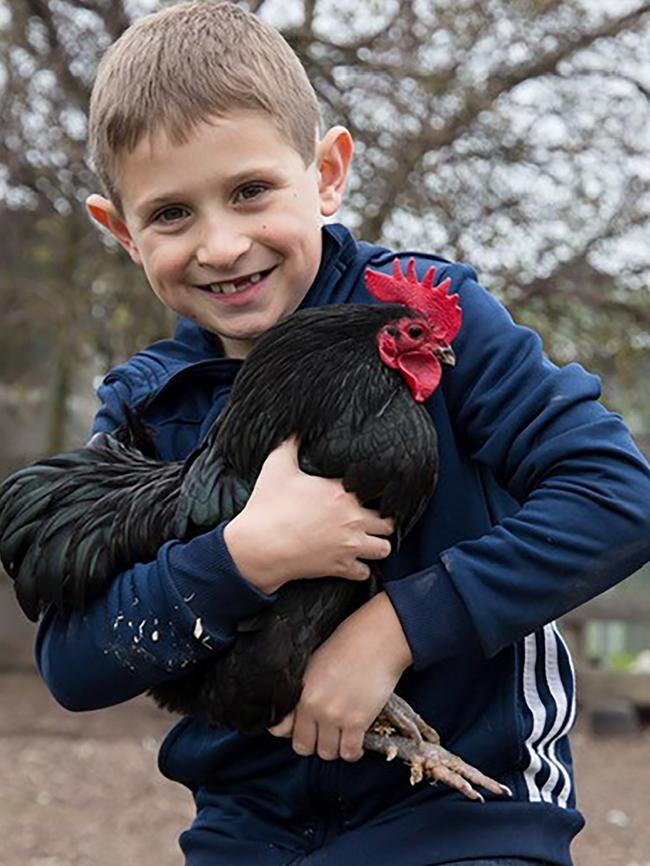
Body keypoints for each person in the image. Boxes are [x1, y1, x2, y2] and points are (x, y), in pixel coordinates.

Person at [34, 2, 650, 865]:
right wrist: (245, 558)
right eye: (171, 214)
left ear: (327, 173)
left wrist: (393, 629)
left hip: (469, 808)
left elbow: (619, 497)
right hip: (249, 829)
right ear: (122, 233)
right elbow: (72, 663)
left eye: (251, 191)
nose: (221, 244)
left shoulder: (425, 313)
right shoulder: (149, 406)